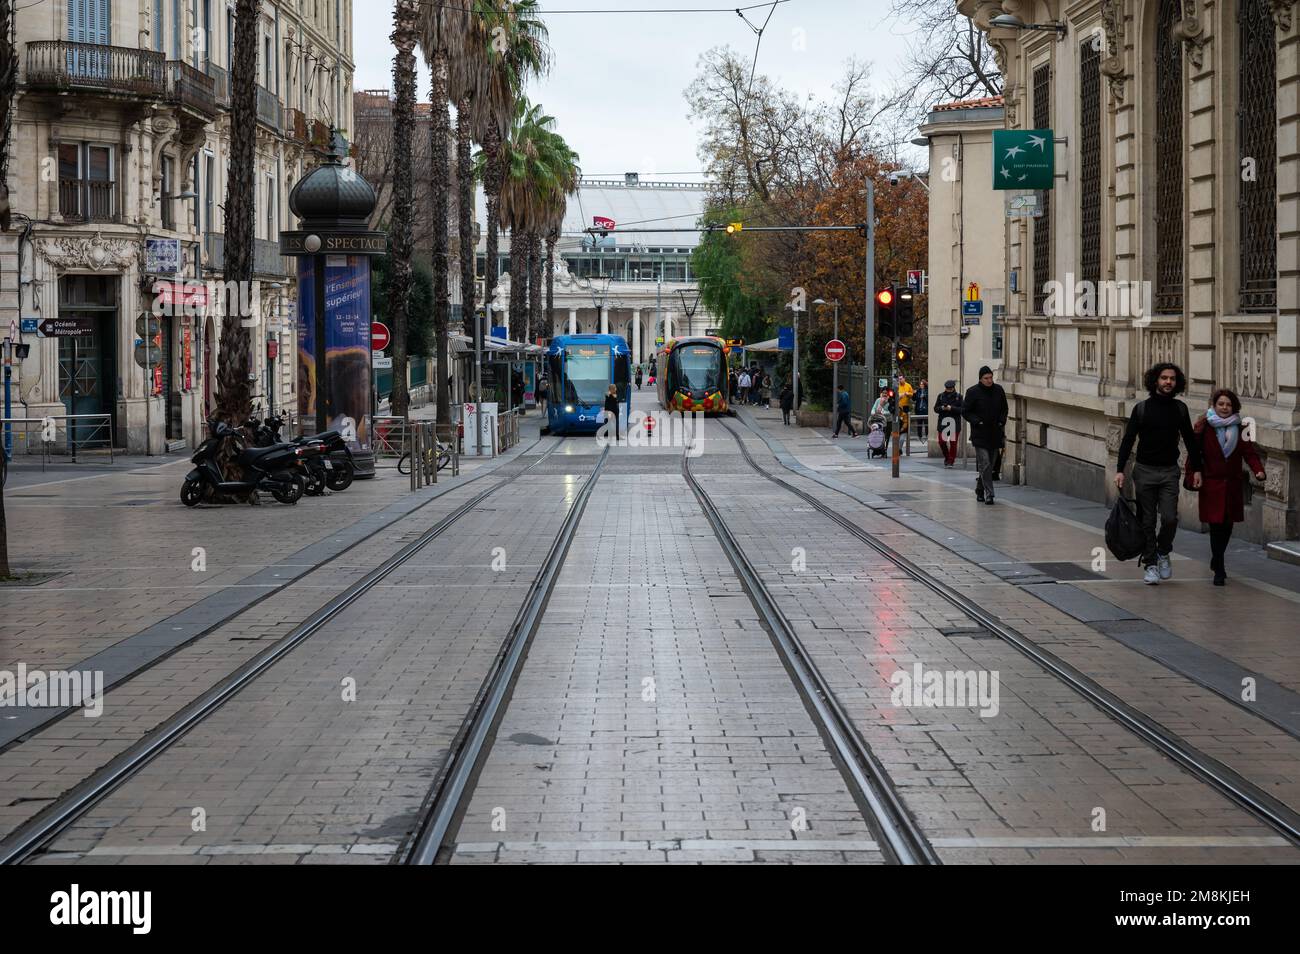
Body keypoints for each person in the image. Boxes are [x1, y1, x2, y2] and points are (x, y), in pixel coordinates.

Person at [1115, 362, 1203, 585]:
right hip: (1144, 471)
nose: (1168, 382)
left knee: (1170, 518)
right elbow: (1128, 440)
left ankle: (1164, 552)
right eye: (1164, 378)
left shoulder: (1180, 409)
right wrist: (1120, 470)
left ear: (1177, 383)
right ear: (1156, 380)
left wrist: (1198, 470)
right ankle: (1151, 563)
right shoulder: (1142, 409)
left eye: (1172, 379)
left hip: (1169, 472)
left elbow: (1190, 441)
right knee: (1147, 520)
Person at [1191, 389, 1264, 586]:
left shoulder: (1243, 428)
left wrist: (1258, 470)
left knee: (1228, 525)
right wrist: (1194, 474)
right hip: (1212, 484)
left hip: (1232, 484)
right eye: (1221, 404)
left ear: (1234, 407)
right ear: (1214, 405)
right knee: (1216, 525)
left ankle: (1216, 558)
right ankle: (1220, 567)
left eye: (1228, 405)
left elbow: (1250, 453)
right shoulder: (1203, 427)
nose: (1224, 408)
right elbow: (1195, 454)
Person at [962, 366, 1008, 505]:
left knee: (990, 465)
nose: (989, 381)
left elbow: (1004, 408)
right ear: (980, 379)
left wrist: (1001, 421)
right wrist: (977, 421)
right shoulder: (972, 392)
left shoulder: (998, 390)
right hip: (980, 434)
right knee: (985, 463)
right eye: (986, 378)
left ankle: (979, 489)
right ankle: (990, 494)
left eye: (990, 378)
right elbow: (965, 411)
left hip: (995, 433)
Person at [934, 379, 962, 467]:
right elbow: (935, 409)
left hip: (954, 422)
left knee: (953, 443)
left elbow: (962, 410)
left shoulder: (959, 397)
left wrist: (951, 408)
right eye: (947, 388)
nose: (948, 390)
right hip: (943, 422)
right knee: (941, 442)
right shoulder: (941, 396)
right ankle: (947, 457)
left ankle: (951, 460)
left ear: (953, 388)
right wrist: (942, 408)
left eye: (950, 388)